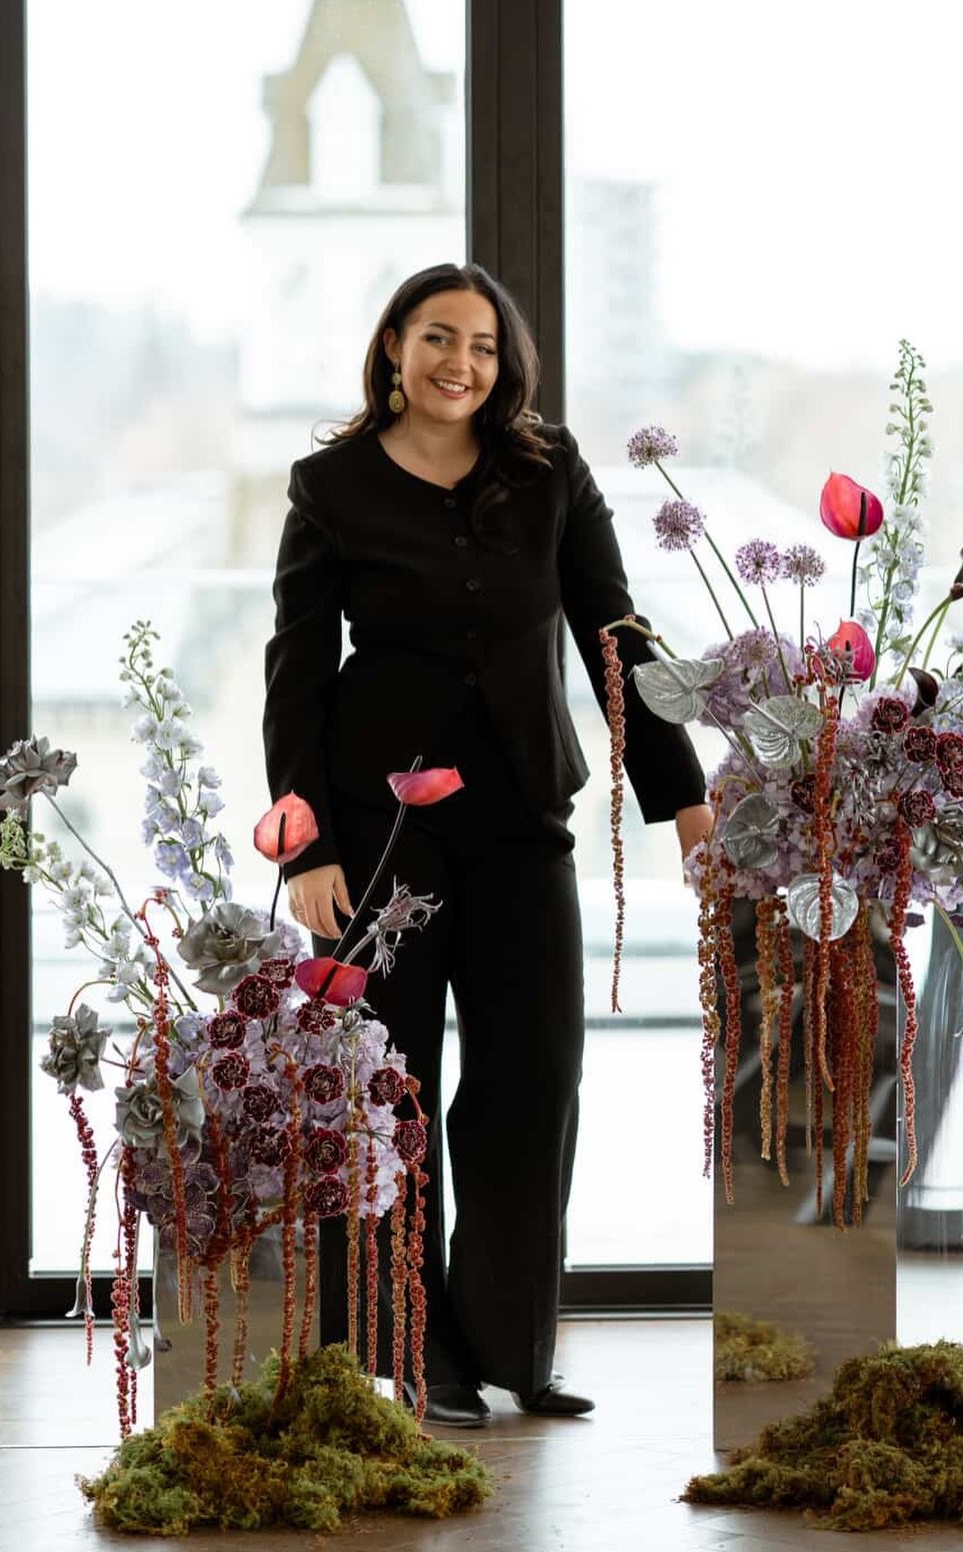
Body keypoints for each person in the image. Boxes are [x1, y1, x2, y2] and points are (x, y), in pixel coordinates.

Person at [262, 260, 713, 1428]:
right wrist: (303, 846)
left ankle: (512, 1346)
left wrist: (683, 796)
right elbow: (297, 674)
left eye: (484, 344)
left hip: (522, 819)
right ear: (393, 351)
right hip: (376, 832)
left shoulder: (547, 468)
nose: (462, 362)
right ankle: (413, 1349)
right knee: (389, 1092)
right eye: (438, 338)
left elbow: (614, 628)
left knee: (531, 1080)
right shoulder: (331, 485)